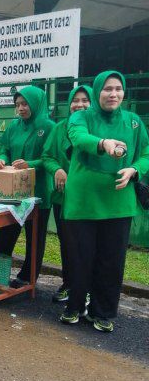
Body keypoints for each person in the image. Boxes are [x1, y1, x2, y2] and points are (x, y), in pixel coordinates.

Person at [60, 71, 149, 332]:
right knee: (80, 257)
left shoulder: (133, 122)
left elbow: (146, 152)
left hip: (118, 201)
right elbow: (79, 138)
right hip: (84, 201)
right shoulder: (81, 117)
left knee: (112, 260)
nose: (113, 94)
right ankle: (75, 306)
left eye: (118, 89)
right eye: (107, 89)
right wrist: (104, 143)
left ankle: (102, 312)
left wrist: (134, 169)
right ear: (97, 91)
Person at [0, 86, 55, 288]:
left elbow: (50, 158)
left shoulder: (49, 127)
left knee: (34, 236)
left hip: (38, 190)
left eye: (25, 104)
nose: (20, 108)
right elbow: (5, 148)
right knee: (5, 231)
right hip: (12, 191)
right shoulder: (14, 126)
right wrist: (2, 159)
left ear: (35, 104)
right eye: (18, 104)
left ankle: (28, 277)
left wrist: (30, 164)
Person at [41, 85, 92, 303]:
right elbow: (47, 156)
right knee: (67, 242)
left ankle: (87, 289)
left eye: (85, 100)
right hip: (63, 196)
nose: (79, 105)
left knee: (88, 244)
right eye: (75, 101)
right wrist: (57, 170)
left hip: (90, 198)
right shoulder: (59, 128)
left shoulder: (97, 127)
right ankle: (69, 283)